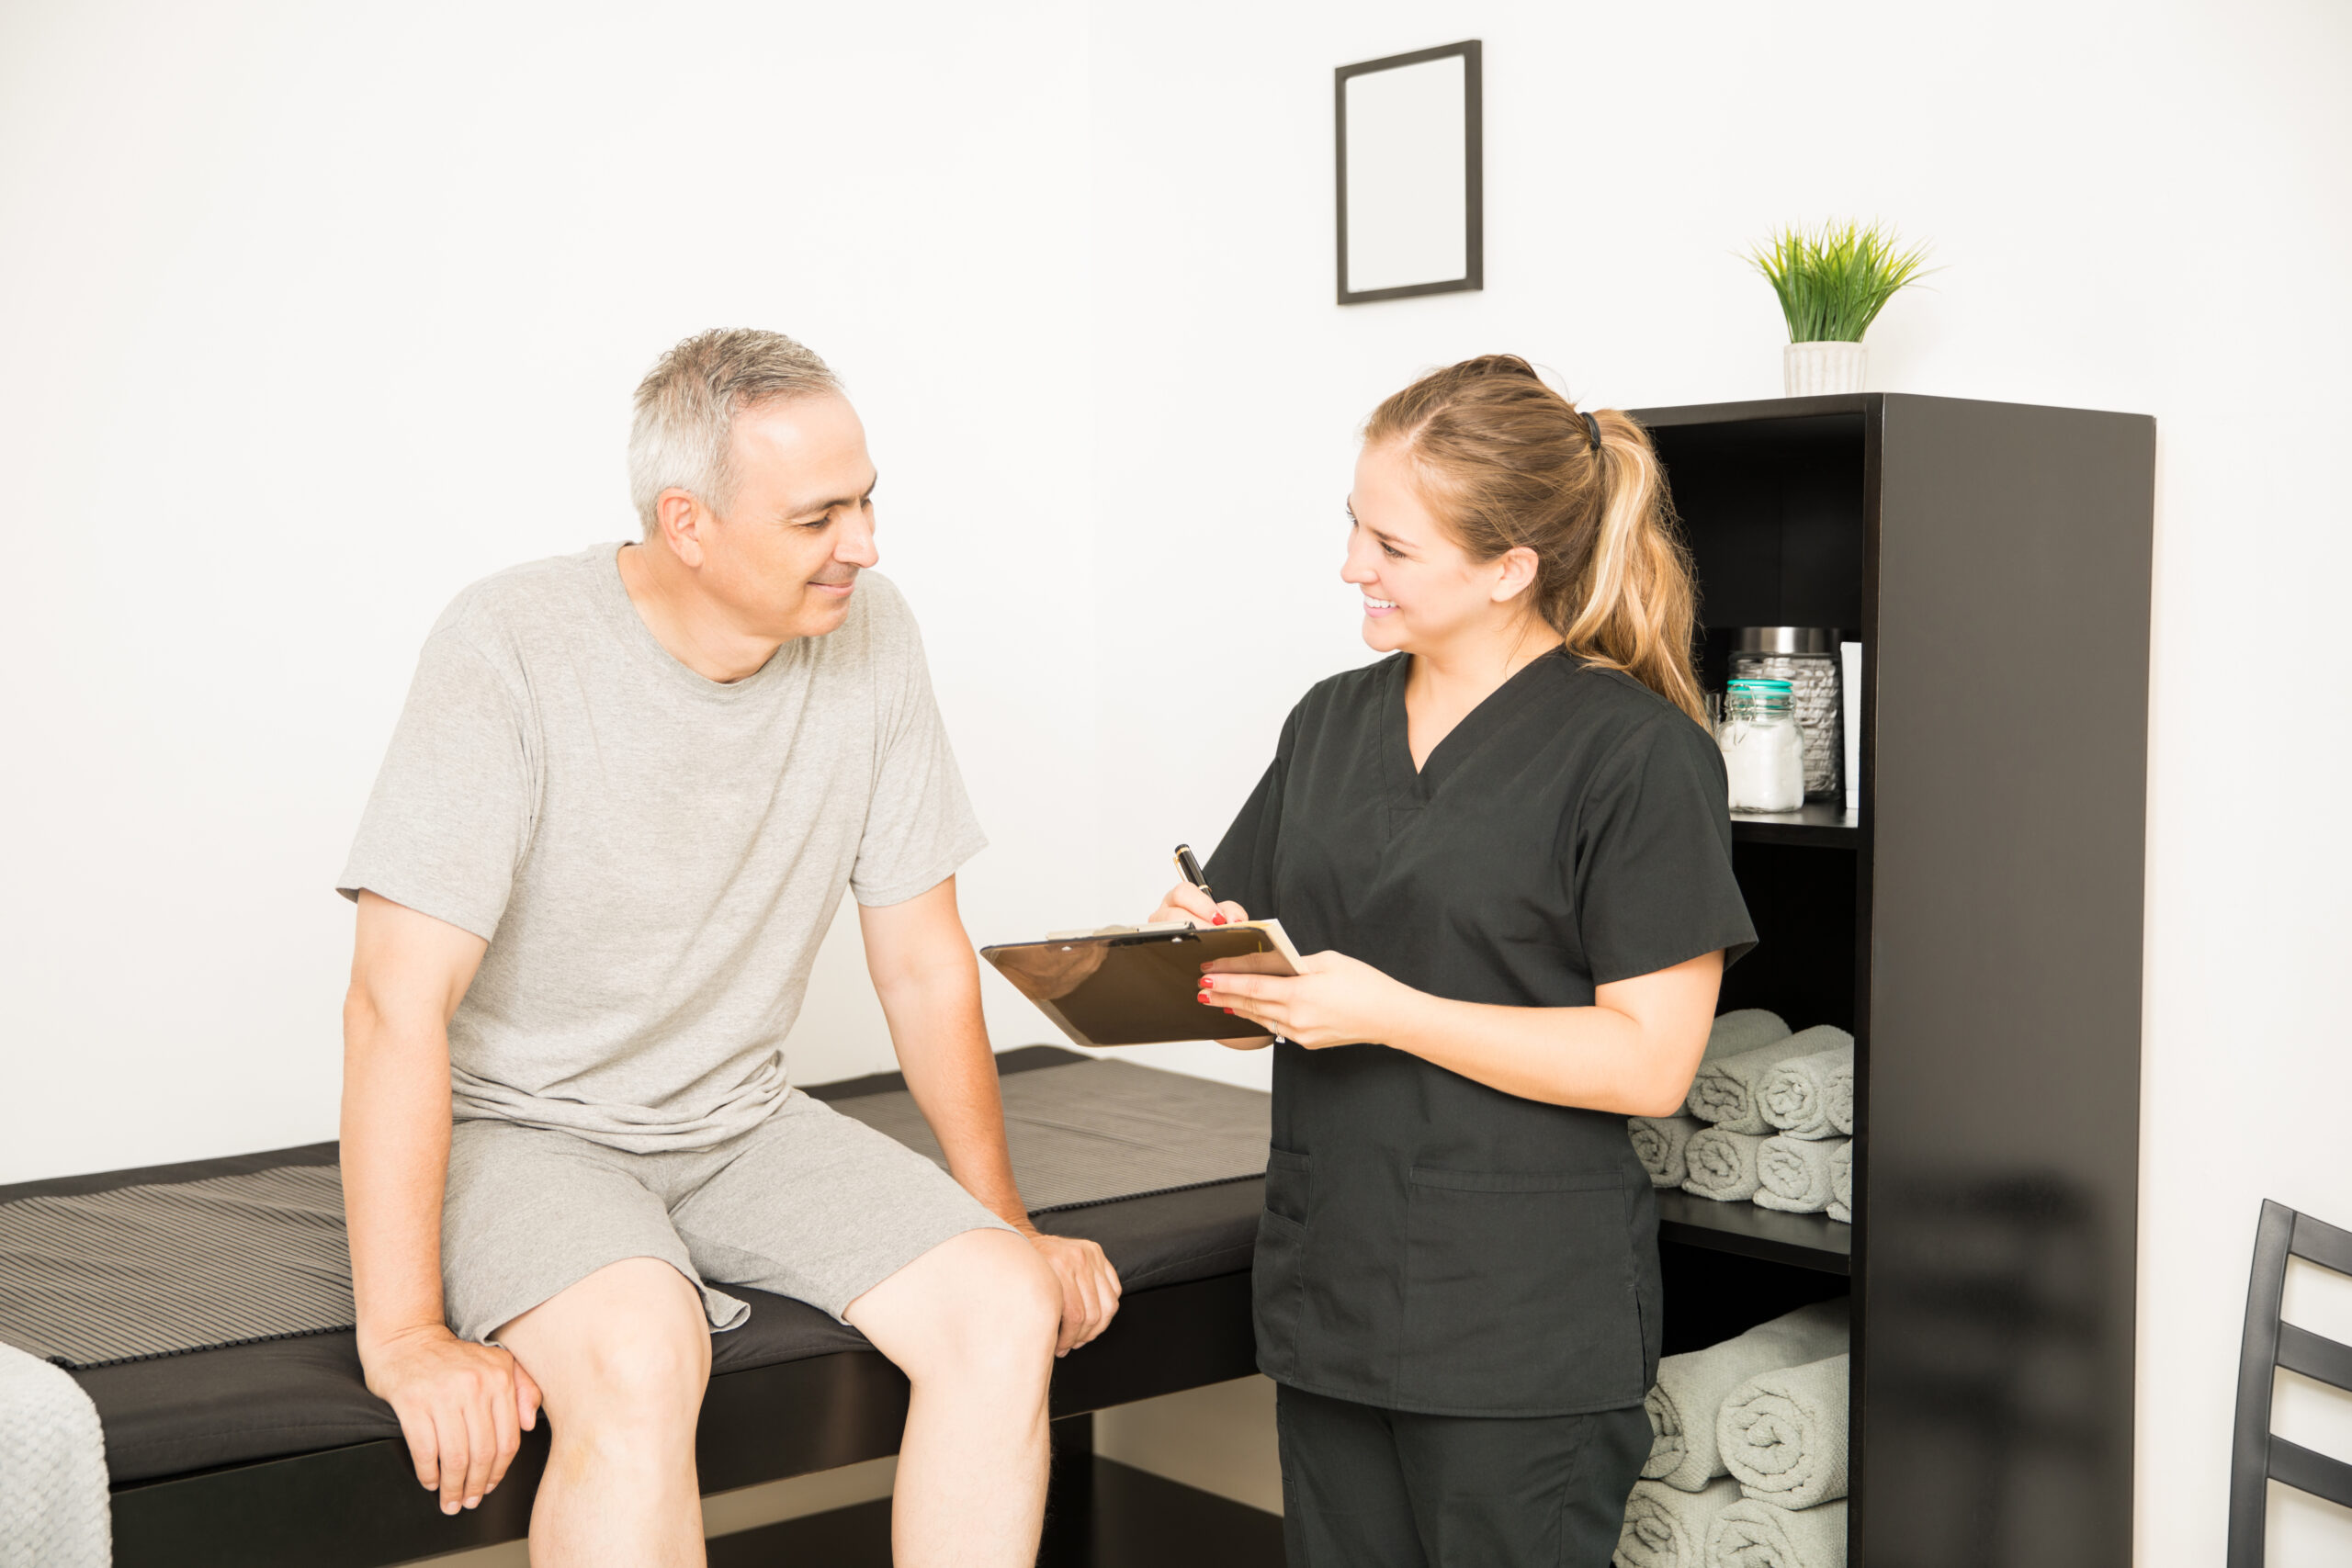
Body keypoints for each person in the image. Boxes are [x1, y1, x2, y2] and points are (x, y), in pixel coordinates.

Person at [337, 328, 1121, 1568]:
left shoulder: (872, 631)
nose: (864, 545)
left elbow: (923, 963)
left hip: (740, 1125)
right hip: (524, 1133)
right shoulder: (510, 644)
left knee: (1002, 1304)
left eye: (867, 502)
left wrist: (1003, 1217)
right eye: (818, 518)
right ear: (686, 524)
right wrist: (404, 1337)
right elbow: (395, 1003)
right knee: (643, 1350)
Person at [1152, 355, 1757, 1566]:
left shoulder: (1637, 756)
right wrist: (1204, 960)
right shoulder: (1331, 720)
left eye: (1392, 544)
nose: (1352, 566)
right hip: (1332, 1291)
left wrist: (1392, 1012)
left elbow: (1650, 1064)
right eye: (1352, 527)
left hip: (1517, 1326)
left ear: (1508, 569)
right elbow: (1262, 998)